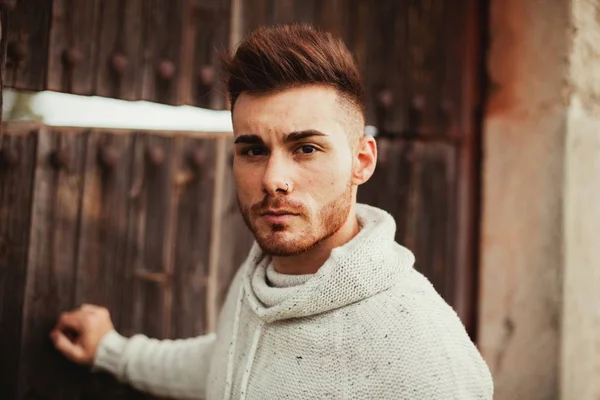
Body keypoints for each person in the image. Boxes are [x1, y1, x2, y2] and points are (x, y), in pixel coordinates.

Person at [50, 24, 494, 399]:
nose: (272, 179)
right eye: (253, 150)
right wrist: (113, 351)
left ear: (362, 161)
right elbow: (229, 357)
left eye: (305, 148)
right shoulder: (263, 277)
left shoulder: (427, 358)